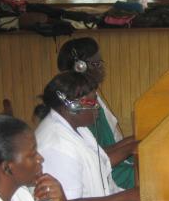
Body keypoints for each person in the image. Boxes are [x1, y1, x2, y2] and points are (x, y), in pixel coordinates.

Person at [34, 72, 140, 201]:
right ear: (72, 106)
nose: (98, 106)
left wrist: (131, 145)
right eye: (92, 102)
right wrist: (131, 195)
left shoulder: (75, 127)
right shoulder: (56, 145)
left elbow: (97, 161)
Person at [57, 37, 137, 189]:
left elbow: (110, 143)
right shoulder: (80, 108)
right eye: (96, 63)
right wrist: (130, 147)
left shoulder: (93, 97)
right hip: (110, 175)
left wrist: (136, 142)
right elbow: (93, 158)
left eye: (101, 62)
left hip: (117, 163)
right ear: (79, 67)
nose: (102, 68)